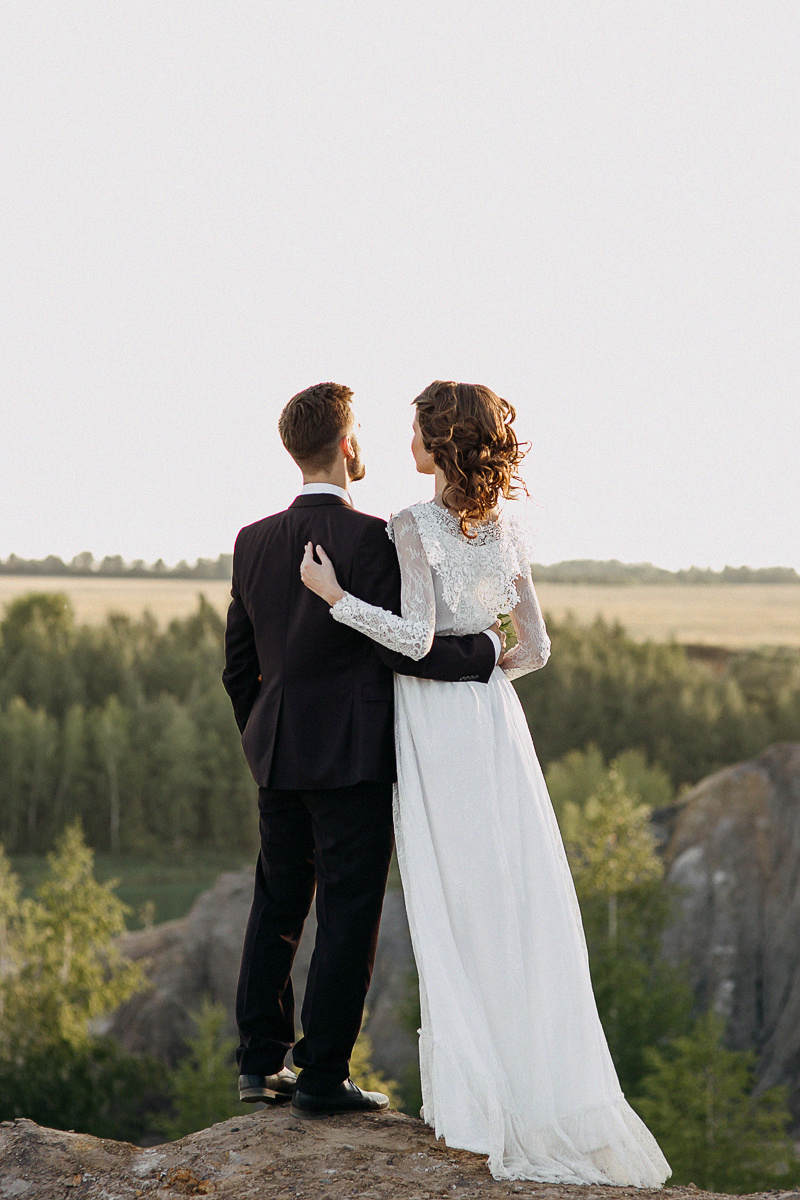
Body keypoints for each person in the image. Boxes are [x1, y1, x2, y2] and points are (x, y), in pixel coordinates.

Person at [300, 380, 671, 1184]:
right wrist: (490, 664)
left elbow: (413, 639)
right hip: (495, 721)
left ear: (440, 441)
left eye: (416, 430)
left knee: (456, 902)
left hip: (436, 723)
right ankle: (522, 1092)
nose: (407, 441)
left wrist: (338, 601)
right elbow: (536, 647)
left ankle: (480, 1106)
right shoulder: (506, 526)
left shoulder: (411, 523)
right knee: (506, 895)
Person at [222, 382, 502, 1120]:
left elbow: (238, 666)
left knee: (277, 901)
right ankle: (321, 1077)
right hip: (354, 761)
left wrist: (263, 732)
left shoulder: (252, 541)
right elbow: (405, 647)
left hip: (277, 755)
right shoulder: (375, 538)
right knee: (348, 914)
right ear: (347, 446)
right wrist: (485, 652)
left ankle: (258, 1063)